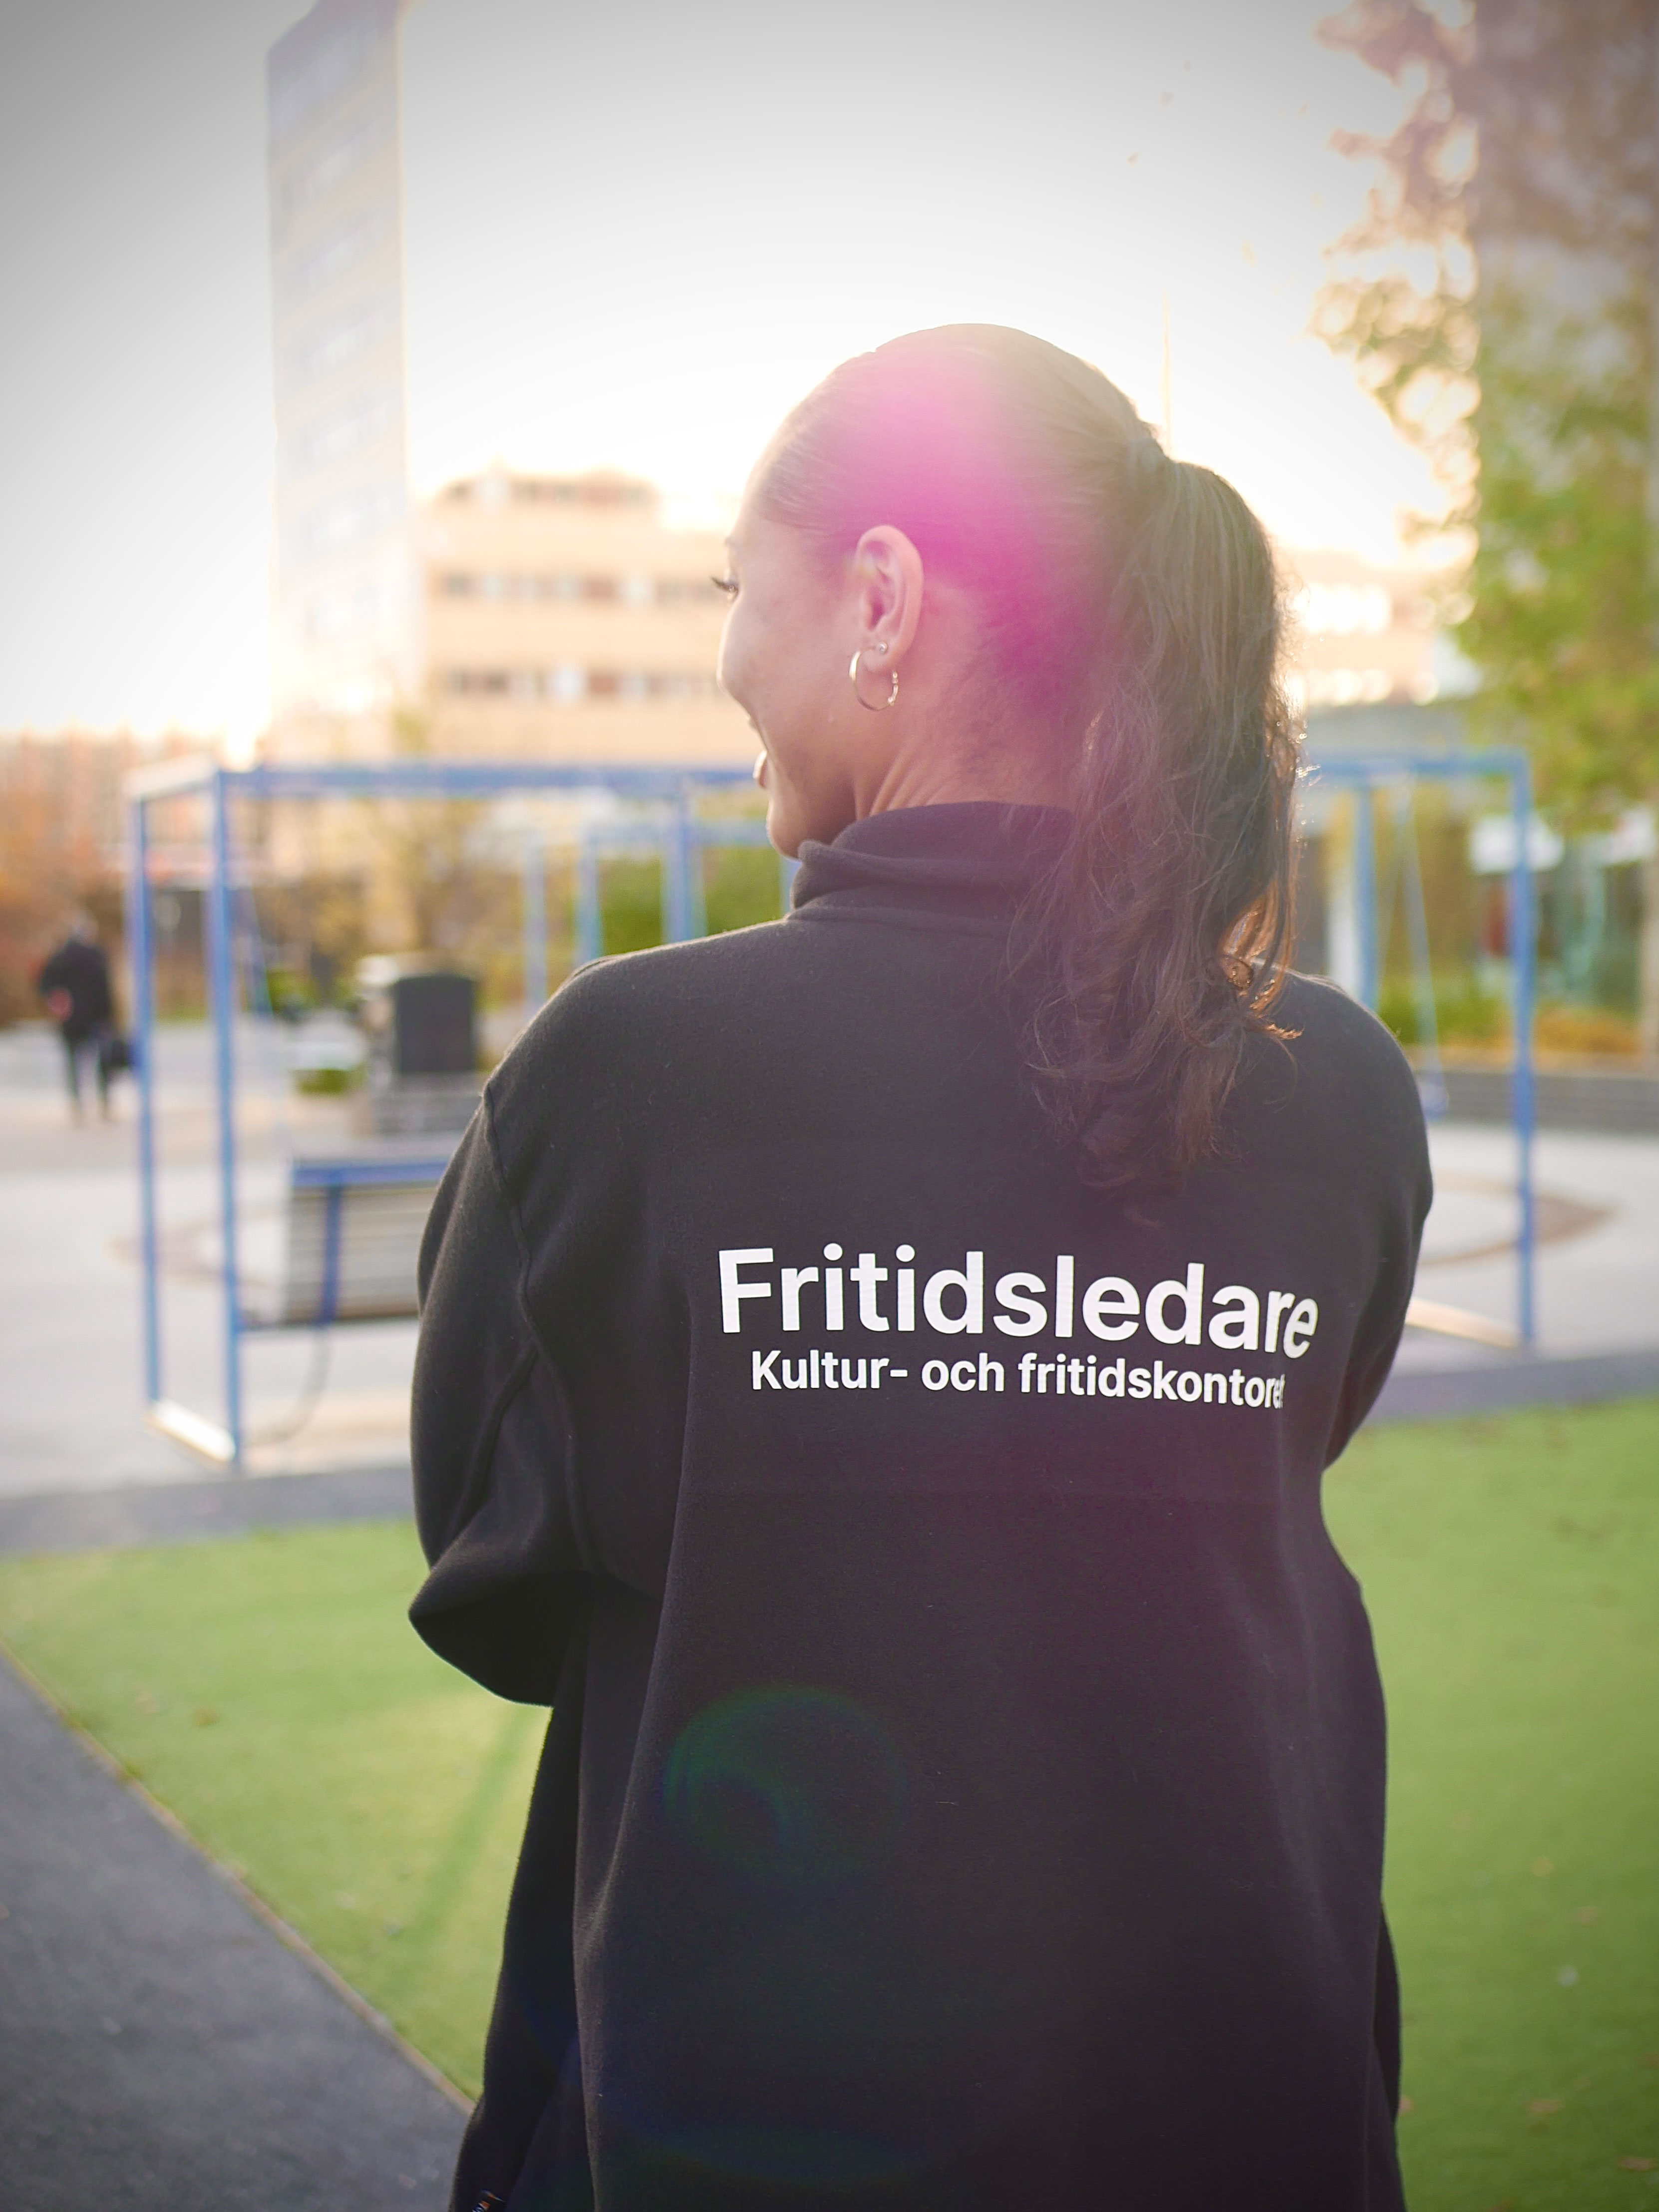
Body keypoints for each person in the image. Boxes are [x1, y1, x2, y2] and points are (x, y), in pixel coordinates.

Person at [410, 326, 1430, 2212]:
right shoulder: (1340, 1088)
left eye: (738, 591)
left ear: (877, 594)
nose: (728, 655)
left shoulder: (627, 1073)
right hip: (1256, 2112)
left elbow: (497, 1560)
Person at [37, 914, 116, 1122]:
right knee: (101, 1061)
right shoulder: (95, 954)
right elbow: (105, 989)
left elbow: (46, 983)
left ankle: (79, 1105)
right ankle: (102, 1103)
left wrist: (56, 1000)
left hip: (75, 1018)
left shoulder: (62, 955)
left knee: (76, 1062)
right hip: (95, 1017)